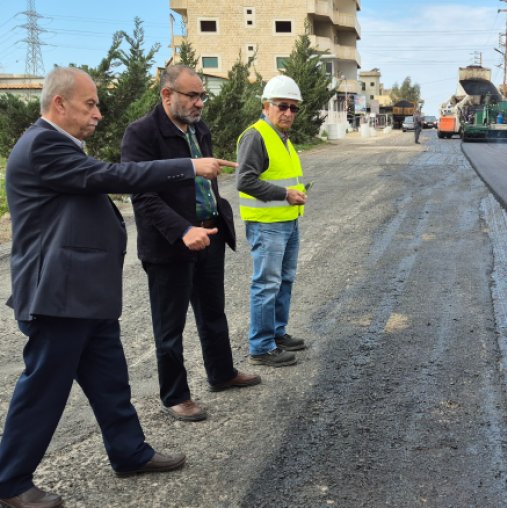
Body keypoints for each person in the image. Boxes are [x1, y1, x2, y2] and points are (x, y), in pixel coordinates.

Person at [0, 67, 235, 507]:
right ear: (59, 104)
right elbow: (113, 177)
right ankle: (10, 482)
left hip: (84, 294)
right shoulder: (43, 146)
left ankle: (129, 452)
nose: (98, 114)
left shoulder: (62, 146)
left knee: (110, 382)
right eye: (90, 104)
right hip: (57, 296)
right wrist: (186, 166)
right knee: (43, 389)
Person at [121, 65, 261, 423]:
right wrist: (183, 229)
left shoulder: (199, 128)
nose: (199, 103)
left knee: (213, 312)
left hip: (210, 234)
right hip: (171, 244)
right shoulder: (141, 134)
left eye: (202, 96)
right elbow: (143, 195)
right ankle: (176, 395)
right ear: (167, 94)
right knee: (170, 327)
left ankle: (222, 373)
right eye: (192, 96)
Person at [236, 75, 309, 367]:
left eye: (294, 108)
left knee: (284, 281)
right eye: (283, 106)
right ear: (266, 105)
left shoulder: (281, 137)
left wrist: (293, 197)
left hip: (287, 222)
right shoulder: (256, 136)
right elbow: (244, 181)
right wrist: (285, 194)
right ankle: (261, 347)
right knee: (266, 285)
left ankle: (277, 334)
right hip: (267, 226)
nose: (289, 113)